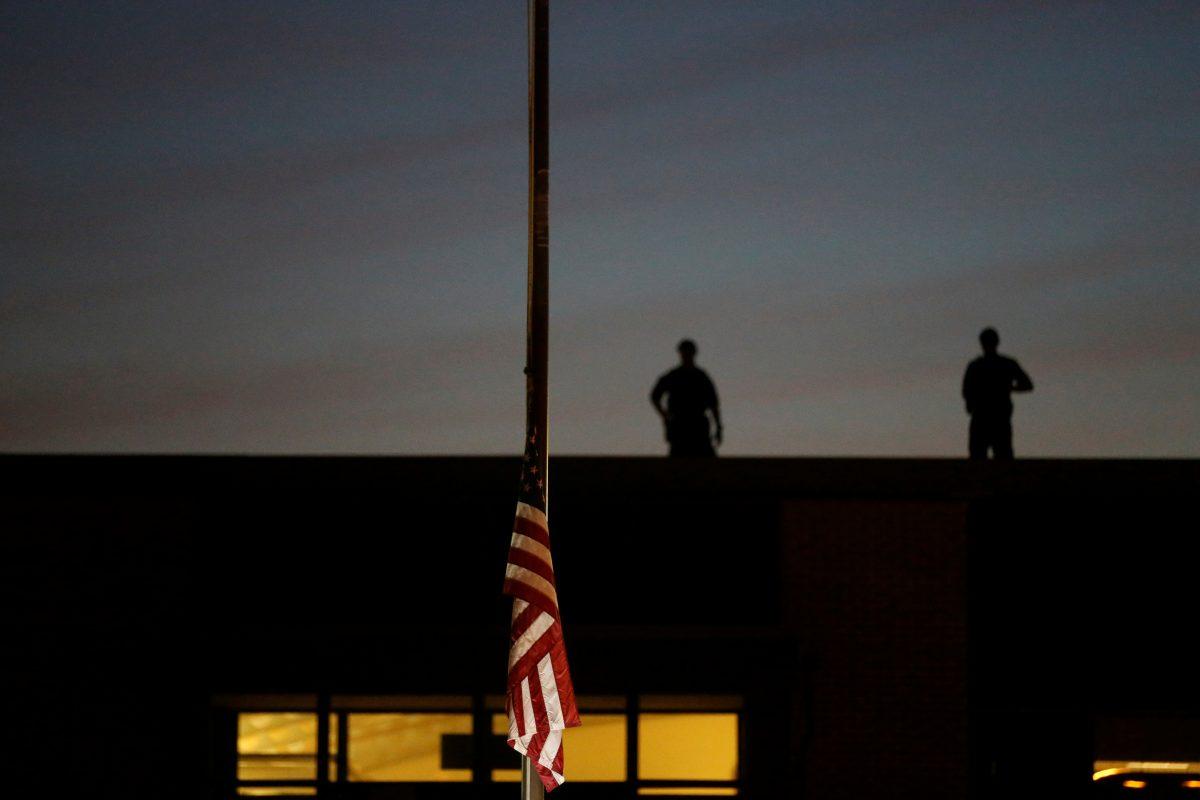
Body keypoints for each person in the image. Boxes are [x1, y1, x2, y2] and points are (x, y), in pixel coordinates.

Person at [962, 327, 1033, 459]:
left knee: (999, 456)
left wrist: (1009, 388)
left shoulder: (979, 365)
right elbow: (967, 390)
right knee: (984, 457)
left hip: (996, 417)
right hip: (985, 416)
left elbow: (1028, 385)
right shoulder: (982, 365)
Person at [650, 339, 722, 457]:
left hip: (697, 425)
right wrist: (665, 416)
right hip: (679, 425)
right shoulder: (674, 375)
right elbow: (654, 396)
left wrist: (719, 427)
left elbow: (713, 404)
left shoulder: (700, 376)